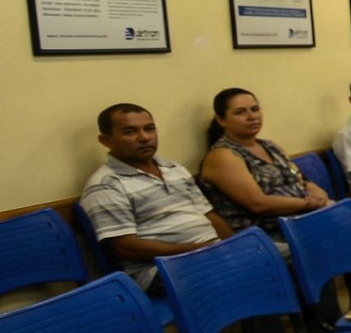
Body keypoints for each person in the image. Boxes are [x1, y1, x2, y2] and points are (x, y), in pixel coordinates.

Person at [81, 103, 233, 291]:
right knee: (245, 270)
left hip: (209, 253)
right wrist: (197, 250)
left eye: (149, 129)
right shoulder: (106, 184)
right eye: (130, 132)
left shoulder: (174, 169)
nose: (144, 137)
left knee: (264, 256)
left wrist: (235, 245)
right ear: (106, 140)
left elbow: (209, 215)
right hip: (159, 270)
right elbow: (125, 247)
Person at [198, 87, 329, 237]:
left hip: (303, 217)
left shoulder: (270, 146)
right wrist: (308, 204)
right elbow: (258, 204)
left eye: (255, 109)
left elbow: (299, 178)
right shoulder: (222, 155)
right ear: (221, 120)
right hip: (269, 234)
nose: (252, 116)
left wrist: (317, 191)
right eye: (240, 112)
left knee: (347, 221)